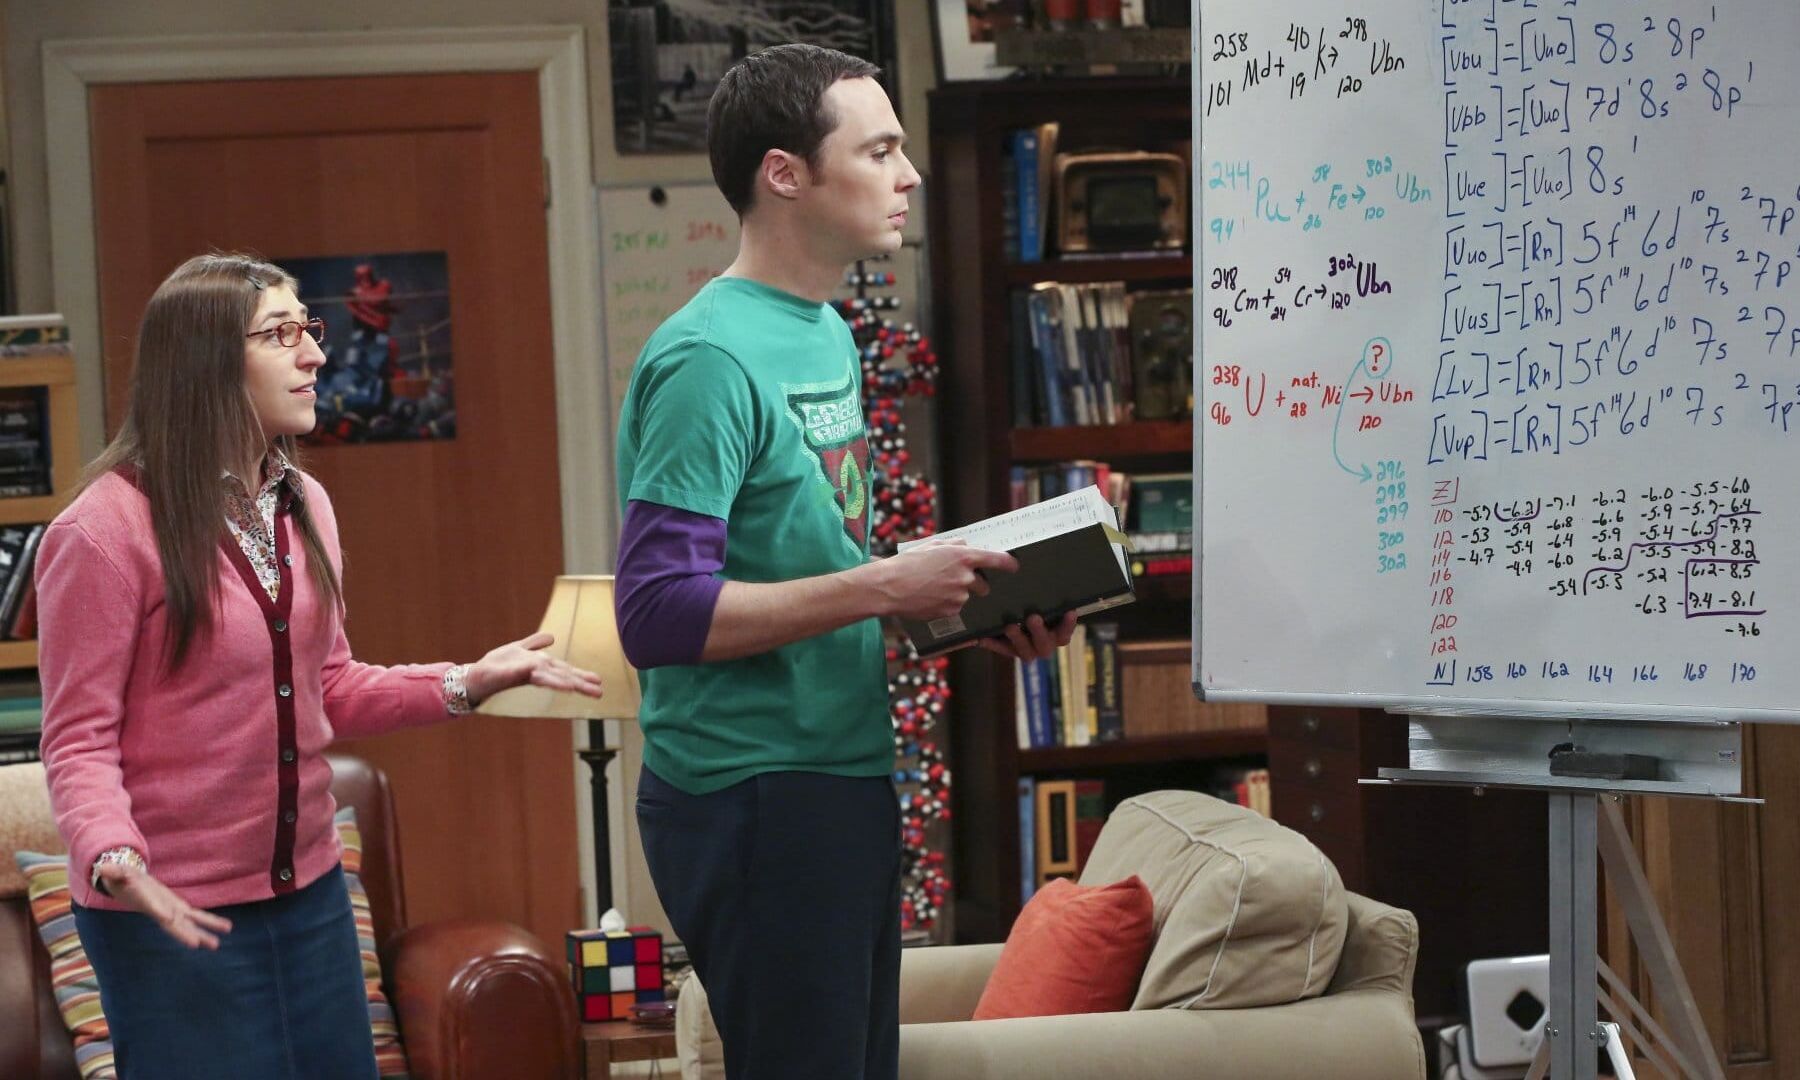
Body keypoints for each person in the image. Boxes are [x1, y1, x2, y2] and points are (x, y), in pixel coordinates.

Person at [612, 44, 1075, 1080]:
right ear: (786, 174)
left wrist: (951, 613)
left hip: (843, 768)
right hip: (752, 788)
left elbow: (803, 559)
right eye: (879, 150)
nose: (909, 175)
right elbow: (656, 612)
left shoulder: (824, 330)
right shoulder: (706, 359)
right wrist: (880, 586)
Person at [36, 252, 603, 1079]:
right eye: (280, 334)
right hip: (167, 915)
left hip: (310, 900)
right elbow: (79, 741)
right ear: (206, 362)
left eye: (309, 328)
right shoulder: (101, 534)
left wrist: (467, 682)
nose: (314, 354)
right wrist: (117, 860)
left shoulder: (304, 501)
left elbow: (327, 684)